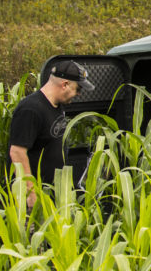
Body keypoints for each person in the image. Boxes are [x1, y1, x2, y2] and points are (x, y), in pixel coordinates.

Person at [8, 60, 95, 209]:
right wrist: (31, 194)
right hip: (34, 199)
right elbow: (17, 152)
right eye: (77, 88)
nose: (78, 94)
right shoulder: (30, 109)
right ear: (65, 84)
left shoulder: (57, 106)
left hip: (52, 196)